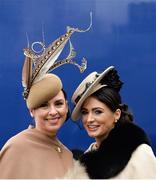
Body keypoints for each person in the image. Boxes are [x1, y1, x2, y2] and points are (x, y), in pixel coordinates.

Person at [0, 22, 90, 179]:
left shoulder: (68, 155)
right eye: (43, 106)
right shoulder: (17, 148)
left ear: (66, 107)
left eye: (59, 103)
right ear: (31, 111)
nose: (53, 111)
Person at [71, 66, 156, 179]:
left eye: (98, 111)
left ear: (117, 114)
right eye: (85, 112)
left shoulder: (140, 154)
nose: (89, 119)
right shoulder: (84, 160)